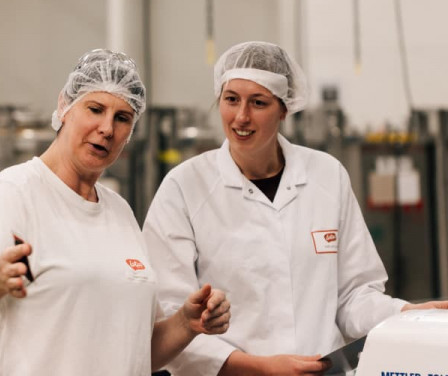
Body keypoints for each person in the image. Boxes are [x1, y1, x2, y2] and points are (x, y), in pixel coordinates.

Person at [143, 41, 448, 376]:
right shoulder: (184, 188)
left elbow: (352, 297)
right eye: (231, 100)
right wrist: (257, 368)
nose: (241, 116)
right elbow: (171, 318)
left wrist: (405, 315)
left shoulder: (326, 175)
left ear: (284, 109)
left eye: (258, 103)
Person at [0, 49, 231, 375]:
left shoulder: (120, 211)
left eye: (122, 118)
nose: (107, 128)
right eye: (95, 109)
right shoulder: (20, 189)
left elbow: (139, 351)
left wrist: (186, 322)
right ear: (65, 107)